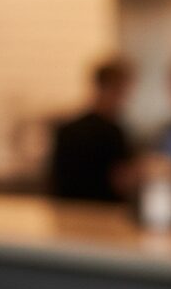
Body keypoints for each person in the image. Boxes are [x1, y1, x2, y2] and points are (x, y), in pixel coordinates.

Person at [50, 58, 135, 201]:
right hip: (104, 215)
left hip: (65, 213)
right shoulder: (112, 132)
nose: (124, 99)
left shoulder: (67, 130)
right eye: (122, 91)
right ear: (110, 89)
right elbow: (120, 182)